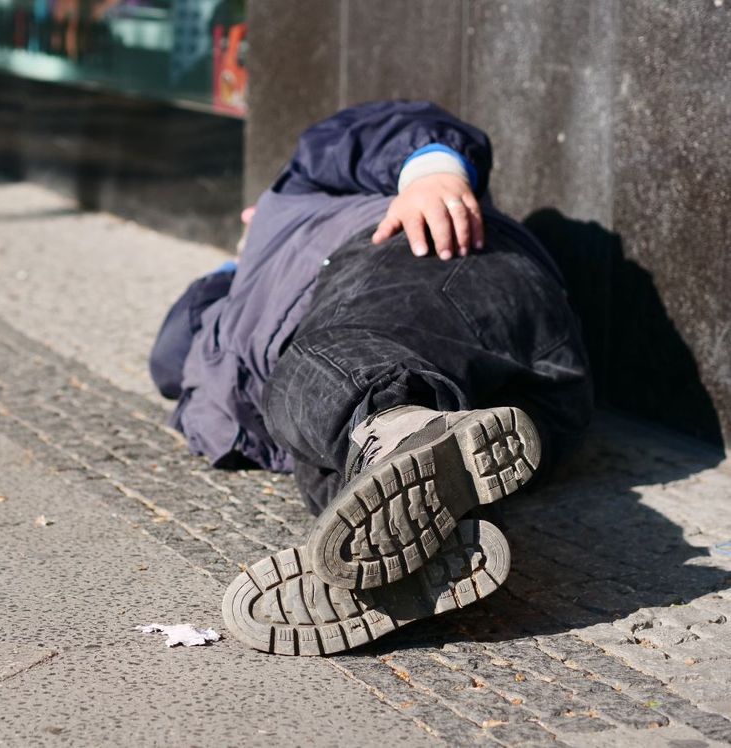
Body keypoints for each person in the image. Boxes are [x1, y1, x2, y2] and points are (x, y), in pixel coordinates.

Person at [150, 101, 592, 656]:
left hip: (438, 259)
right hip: (537, 402)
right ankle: (421, 543)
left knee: (325, 370)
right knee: (329, 468)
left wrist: (434, 173)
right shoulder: (232, 318)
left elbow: (363, 131)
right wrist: (230, 275)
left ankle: (402, 434)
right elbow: (174, 359)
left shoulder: (302, 197)